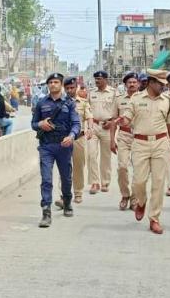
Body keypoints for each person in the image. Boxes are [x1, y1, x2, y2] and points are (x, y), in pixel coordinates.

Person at [117, 69, 170, 234]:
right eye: (160, 84)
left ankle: (154, 219)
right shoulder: (136, 99)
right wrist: (120, 120)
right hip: (140, 144)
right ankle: (141, 201)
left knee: (158, 183)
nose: (163, 87)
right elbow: (127, 117)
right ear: (151, 82)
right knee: (139, 181)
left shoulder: (167, 101)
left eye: (164, 84)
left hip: (160, 143)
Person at [31, 73, 81, 228]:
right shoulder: (41, 103)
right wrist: (40, 124)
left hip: (64, 146)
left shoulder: (70, 103)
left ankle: (67, 201)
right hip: (46, 146)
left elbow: (76, 124)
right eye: (50, 82)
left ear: (61, 85)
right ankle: (46, 212)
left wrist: (72, 136)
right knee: (46, 179)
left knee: (66, 178)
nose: (53, 84)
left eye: (56, 82)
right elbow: (33, 123)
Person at [55, 77, 93, 207]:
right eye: (67, 88)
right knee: (64, 167)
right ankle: (63, 195)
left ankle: (78, 193)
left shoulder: (82, 103)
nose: (70, 90)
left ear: (76, 87)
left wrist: (90, 129)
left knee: (78, 166)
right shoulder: (59, 103)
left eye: (72, 88)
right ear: (64, 89)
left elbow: (89, 117)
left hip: (78, 139)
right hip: (64, 139)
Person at [110, 72, 139, 211]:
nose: (132, 84)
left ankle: (135, 198)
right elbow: (113, 121)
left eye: (134, 82)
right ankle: (125, 195)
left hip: (140, 138)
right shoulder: (119, 100)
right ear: (125, 84)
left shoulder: (143, 99)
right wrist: (111, 140)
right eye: (129, 82)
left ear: (138, 84)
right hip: (123, 136)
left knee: (139, 170)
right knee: (122, 167)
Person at [87, 70, 119, 194]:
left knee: (106, 156)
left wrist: (112, 122)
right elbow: (87, 110)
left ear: (106, 80)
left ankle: (105, 182)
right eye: (96, 79)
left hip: (107, 127)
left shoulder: (114, 93)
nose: (97, 81)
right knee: (91, 155)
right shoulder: (91, 93)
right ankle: (95, 183)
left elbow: (118, 112)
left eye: (99, 79)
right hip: (94, 126)